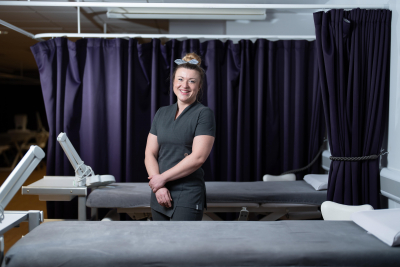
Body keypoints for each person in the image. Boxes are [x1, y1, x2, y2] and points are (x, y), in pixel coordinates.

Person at [144, 52, 215, 221]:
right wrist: (158, 187)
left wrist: (161, 179)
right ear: (174, 82)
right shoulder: (162, 113)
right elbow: (150, 153)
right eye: (180, 79)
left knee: (183, 247)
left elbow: (198, 158)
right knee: (160, 245)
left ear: (199, 86)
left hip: (187, 194)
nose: (185, 85)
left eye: (192, 81)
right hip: (159, 192)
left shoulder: (203, 114)